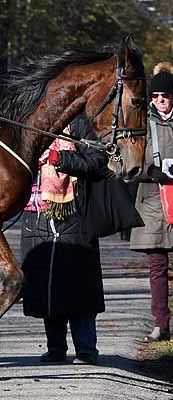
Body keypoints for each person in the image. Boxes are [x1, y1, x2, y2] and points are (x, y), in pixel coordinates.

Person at [21, 115, 122, 365]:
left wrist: (59, 159)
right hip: (36, 214)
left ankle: (86, 350)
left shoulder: (77, 123)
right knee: (47, 286)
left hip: (75, 212)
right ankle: (55, 347)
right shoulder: (27, 120)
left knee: (79, 286)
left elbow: (98, 160)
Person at [129, 71, 173, 342]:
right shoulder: (143, 124)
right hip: (153, 201)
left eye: (164, 96)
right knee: (157, 266)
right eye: (155, 97)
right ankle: (161, 322)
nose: (159, 101)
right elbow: (128, 162)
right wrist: (149, 171)